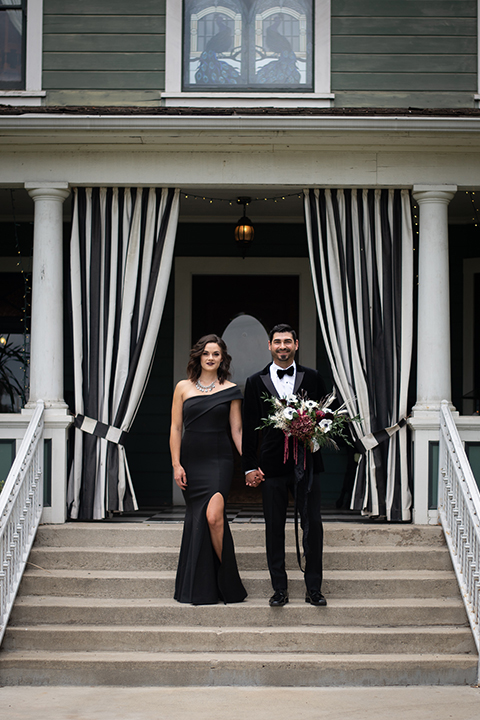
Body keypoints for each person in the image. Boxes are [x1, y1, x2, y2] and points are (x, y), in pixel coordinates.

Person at [242, 323, 327, 607]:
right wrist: (250, 465)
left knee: (313, 525)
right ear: (269, 345)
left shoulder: (313, 377)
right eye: (277, 342)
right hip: (271, 465)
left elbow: (324, 415)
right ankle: (279, 588)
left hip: (307, 462)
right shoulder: (255, 381)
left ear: (296, 344)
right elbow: (249, 426)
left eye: (287, 341)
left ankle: (313, 588)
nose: (282, 346)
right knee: (274, 527)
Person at [170, 334, 247, 605]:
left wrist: (248, 463)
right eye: (206, 353)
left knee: (214, 517)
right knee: (198, 519)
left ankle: (228, 581)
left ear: (222, 358)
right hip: (192, 461)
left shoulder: (231, 389)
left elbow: (237, 430)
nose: (211, 358)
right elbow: (176, 428)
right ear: (198, 357)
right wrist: (176, 464)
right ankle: (201, 586)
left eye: (216, 354)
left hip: (219, 461)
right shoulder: (183, 388)